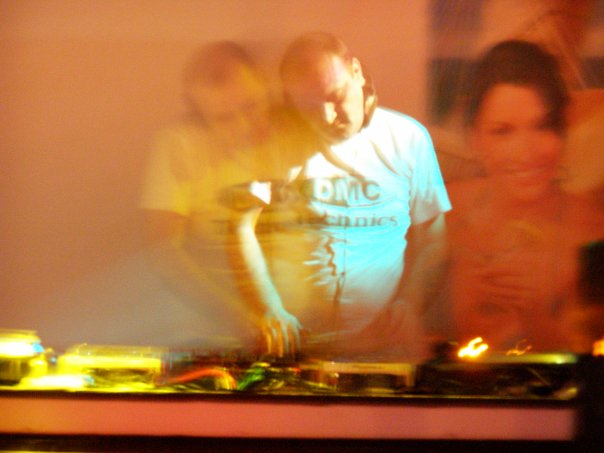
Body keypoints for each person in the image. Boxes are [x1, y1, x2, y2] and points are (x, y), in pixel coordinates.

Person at [252, 33, 451, 359]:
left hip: (383, 349)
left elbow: (434, 239)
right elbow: (239, 230)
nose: (328, 116)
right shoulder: (276, 144)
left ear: (356, 72)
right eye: (310, 108)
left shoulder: (408, 139)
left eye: (336, 96)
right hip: (297, 351)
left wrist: (410, 305)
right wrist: (268, 307)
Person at [446, 40, 604, 352]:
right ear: (475, 136)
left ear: (562, 129)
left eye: (542, 126)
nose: (526, 153)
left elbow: (592, 364)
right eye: (503, 131)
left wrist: (535, 318)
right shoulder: (438, 212)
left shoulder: (592, 235)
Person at [140, 41, 295, 350]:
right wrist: (238, 317)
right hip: (216, 340)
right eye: (224, 118)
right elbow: (163, 251)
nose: (244, 125)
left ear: (266, 83)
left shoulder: (299, 130)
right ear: (200, 116)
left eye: (251, 107)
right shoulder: (180, 145)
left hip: (305, 336)